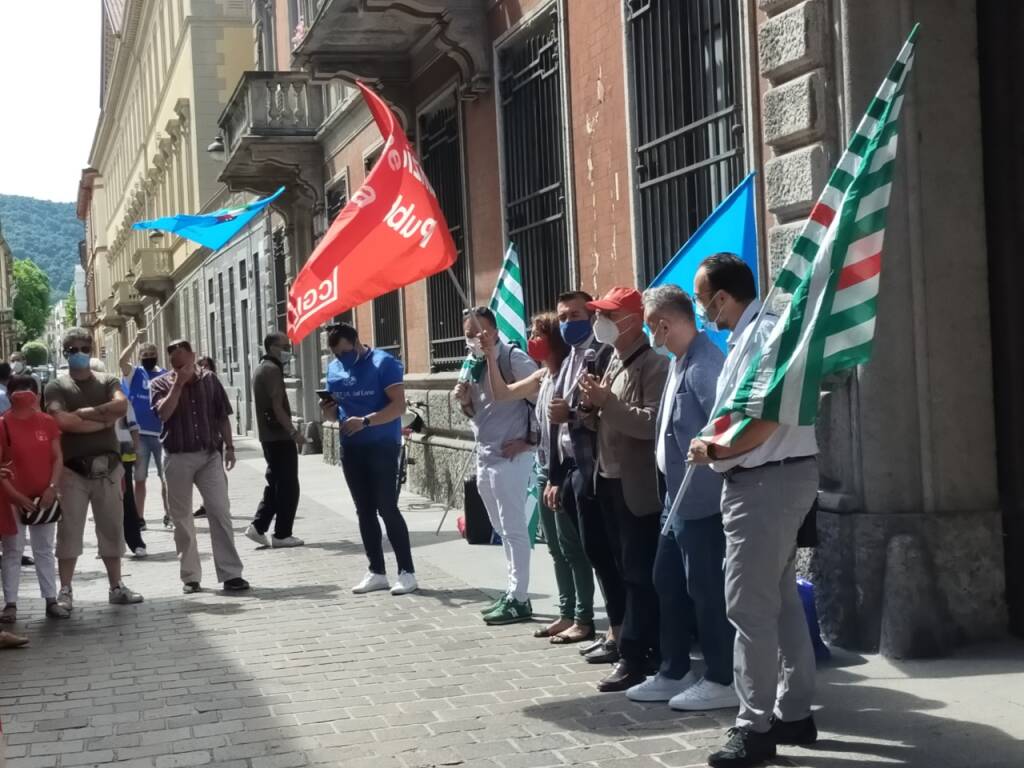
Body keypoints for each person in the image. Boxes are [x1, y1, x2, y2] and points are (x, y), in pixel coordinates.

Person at [687, 254, 819, 768]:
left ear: (722, 297)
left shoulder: (764, 337)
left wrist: (713, 451)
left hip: (764, 481)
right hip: (772, 479)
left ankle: (754, 726)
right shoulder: (758, 335)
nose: (703, 311)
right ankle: (794, 713)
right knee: (779, 603)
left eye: (702, 300)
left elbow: (762, 422)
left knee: (748, 610)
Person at [627, 285, 737, 710]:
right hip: (675, 499)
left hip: (702, 500)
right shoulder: (677, 361)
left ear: (663, 324)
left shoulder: (707, 365)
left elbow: (727, 430)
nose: (645, 331)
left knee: (705, 590)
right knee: (666, 581)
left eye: (647, 322)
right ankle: (674, 670)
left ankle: (723, 676)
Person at [483, 311, 596, 644]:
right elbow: (502, 393)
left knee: (573, 548)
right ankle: (565, 613)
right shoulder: (543, 375)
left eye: (537, 333)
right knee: (557, 549)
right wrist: (491, 355)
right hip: (545, 468)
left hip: (565, 470)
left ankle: (583, 616)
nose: (532, 338)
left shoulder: (568, 373)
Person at [578, 287, 668, 693]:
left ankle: (637, 655)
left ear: (632, 321)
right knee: (619, 567)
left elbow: (650, 424)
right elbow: (608, 419)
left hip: (636, 486)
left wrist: (606, 403)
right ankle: (632, 643)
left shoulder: (654, 365)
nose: (603, 324)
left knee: (638, 573)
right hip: (607, 479)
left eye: (610, 316)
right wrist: (590, 408)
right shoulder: (612, 359)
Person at [43, 328, 144, 609]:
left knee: (112, 528)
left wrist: (84, 415)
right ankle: (65, 590)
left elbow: (121, 406)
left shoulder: (108, 379)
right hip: (72, 471)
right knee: (69, 532)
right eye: (73, 349)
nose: (79, 353)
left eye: (84, 348)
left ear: (91, 349)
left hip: (109, 469)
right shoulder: (57, 386)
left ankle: (116, 585)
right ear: (65, 353)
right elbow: (62, 422)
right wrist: (103, 418)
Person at [546, 291, 622, 661]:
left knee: (606, 552)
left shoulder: (603, 355)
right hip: (571, 468)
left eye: (575, 314)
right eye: (562, 316)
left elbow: (601, 414)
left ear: (592, 316)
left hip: (597, 468)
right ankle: (611, 628)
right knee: (591, 550)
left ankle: (618, 630)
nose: (567, 322)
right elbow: (555, 426)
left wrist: (572, 416)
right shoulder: (568, 359)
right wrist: (554, 475)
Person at [454, 307, 539, 624]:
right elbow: (475, 412)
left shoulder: (512, 359)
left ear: (494, 331)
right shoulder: (471, 363)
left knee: (514, 528)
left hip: (512, 455)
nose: (474, 339)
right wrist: (464, 400)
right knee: (501, 528)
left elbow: (542, 399)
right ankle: (512, 589)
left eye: (479, 332)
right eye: (468, 335)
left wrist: (529, 441)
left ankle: (520, 597)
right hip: (485, 454)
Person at [150, 339, 249, 594]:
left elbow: (221, 415)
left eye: (184, 361)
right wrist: (178, 384)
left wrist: (229, 447)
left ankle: (231, 574)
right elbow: (163, 414)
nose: (180, 367)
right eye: (175, 363)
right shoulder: (159, 384)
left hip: (209, 455)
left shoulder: (210, 380)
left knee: (220, 511)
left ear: (193, 356)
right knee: (182, 520)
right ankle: (191, 577)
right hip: (177, 457)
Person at [324, 323, 417, 595]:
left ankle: (407, 572)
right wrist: (329, 411)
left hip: (382, 445)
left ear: (356, 342)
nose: (342, 359)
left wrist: (365, 421)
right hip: (351, 447)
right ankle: (376, 570)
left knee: (387, 507)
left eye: (345, 352)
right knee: (363, 510)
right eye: (336, 354)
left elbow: (398, 406)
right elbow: (334, 415)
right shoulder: (334, 370)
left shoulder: (383, 363)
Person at [0, 376, 68, 622]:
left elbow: (57, 458)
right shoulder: (2, 424)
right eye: (18, 391)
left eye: (29, 391)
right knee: (12, 549)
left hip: (43, 498)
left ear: (37, 395)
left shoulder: (47, 423)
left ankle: (51, 599)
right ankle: (10, 604)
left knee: (44, 549)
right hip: (12, 498)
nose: (24, 395)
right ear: (9, 395)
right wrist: (15, 495)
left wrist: (52, 488)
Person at [246, 332, 305, 549]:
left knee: (276, 483)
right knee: (288, 486)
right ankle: (282, 533)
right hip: (279, 437)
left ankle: (259, 526)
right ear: (272, 347)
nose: (288, 350)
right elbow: (277, 407)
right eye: (284, 346)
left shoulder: (261, 368)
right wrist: (294, 432)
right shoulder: (272, 370)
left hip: (269, 437)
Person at [119, 334, 169, 530]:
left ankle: (169, 514)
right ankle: (140, 518)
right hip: (140, 436)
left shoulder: (165, 374)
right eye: (145, 354)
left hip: (162, 434)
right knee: (140, 479)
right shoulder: (134, 373)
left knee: (166, 478)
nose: (149, 357)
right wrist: (134, 342)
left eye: (152, 354)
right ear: (139, 356)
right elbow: (122, 360)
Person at [116, 400, 148, 559]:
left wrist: (136, 452)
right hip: (99, 457)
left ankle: (136, 543)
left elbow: (134, 428)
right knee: (104, 502)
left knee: (127, 499)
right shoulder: (91, 401)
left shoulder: (123, 403)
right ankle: (107, 545)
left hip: (123, 457)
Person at [192, 357, 217, 520]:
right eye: (201, 366)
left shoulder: (213, 384)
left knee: (217, 472)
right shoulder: (196, 385)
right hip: (200, 435)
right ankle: (207, 504)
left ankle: (217, 503)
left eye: (207, 365)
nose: (204, 368)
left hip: (214, 433)